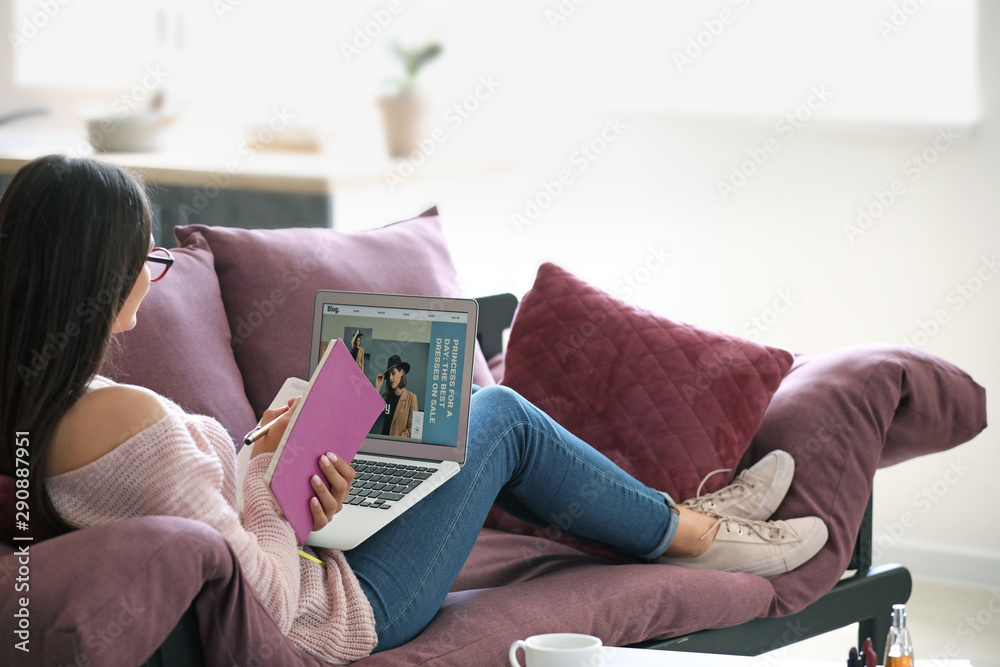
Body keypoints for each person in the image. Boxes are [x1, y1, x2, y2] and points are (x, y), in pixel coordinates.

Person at [0, 155, 828, 665]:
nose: (154, 272)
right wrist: (267, 482)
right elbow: (263, 604)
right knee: (498, 414)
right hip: (349, 610)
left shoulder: (40, 404)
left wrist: (270, 465)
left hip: (315, 553)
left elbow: (207, 531)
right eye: (145, 257)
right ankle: (702, 535)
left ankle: (683, 518)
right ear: (97, 271)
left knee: (462, 425)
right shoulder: (129, 420)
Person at [374, 354, 417, 437]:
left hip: (398, 447)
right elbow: (370, 415)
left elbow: (412, 430)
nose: (390, 378)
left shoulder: (411, 398)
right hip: (382, 444)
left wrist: (396, 439)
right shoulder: (386, 397)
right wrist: (377, 388)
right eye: (389, 375)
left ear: (401, 372)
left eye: (393, 373)